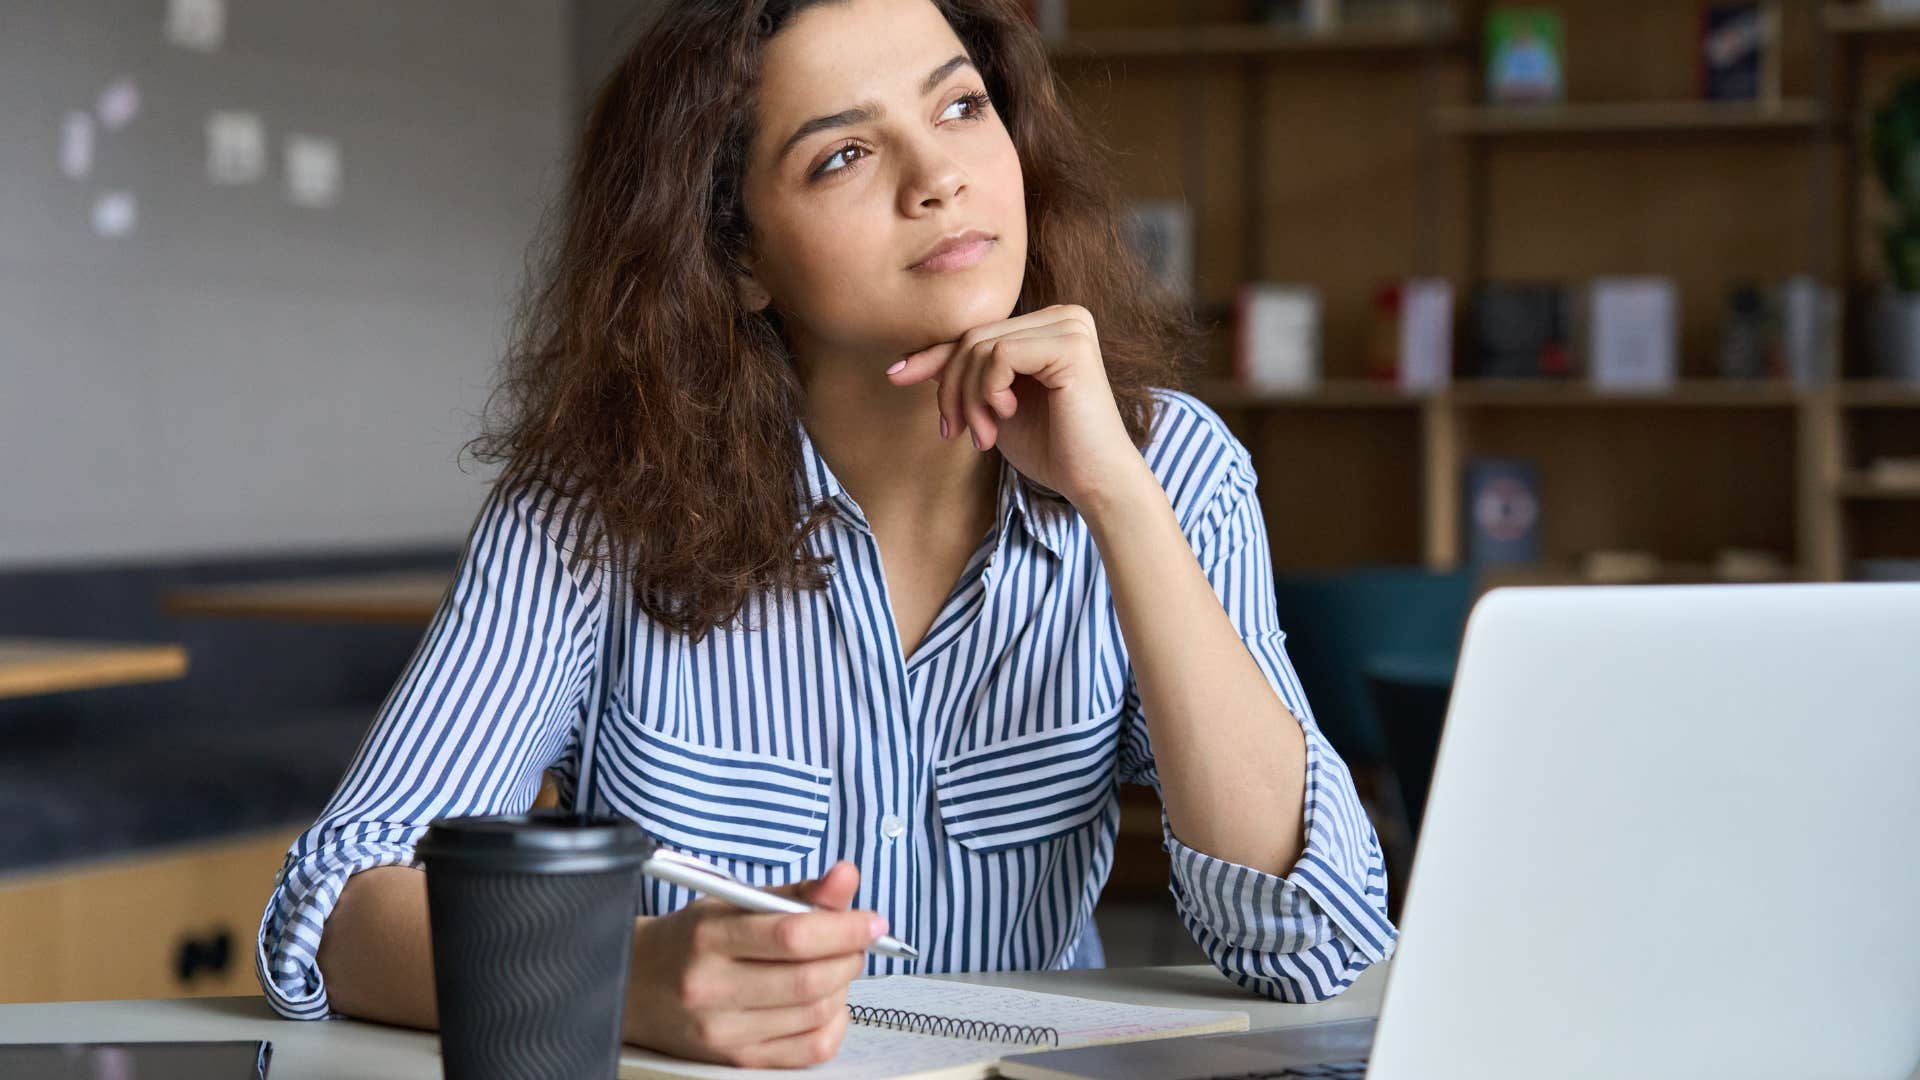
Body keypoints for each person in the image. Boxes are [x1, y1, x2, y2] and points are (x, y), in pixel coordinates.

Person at [255, 0, 1396, 1068]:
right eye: (844, 154)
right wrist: (626, 981)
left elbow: (1311, 940)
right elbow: (337, 910)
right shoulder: (592, 511)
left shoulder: (1171, 469)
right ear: (740, 258)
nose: (939, 177)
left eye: (960, 107)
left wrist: (1119, 499)